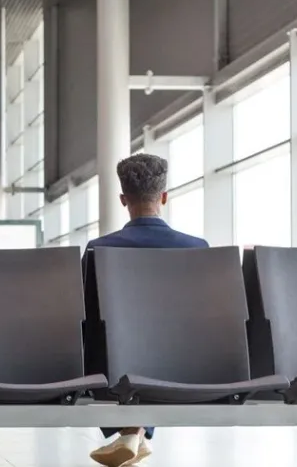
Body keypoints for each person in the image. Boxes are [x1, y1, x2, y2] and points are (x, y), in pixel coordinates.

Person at [85, 153, 208, 467]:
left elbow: (85, 314)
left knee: (118, 342)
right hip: (184, 364)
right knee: (161, 343)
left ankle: (132, 430)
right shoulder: (197, 249)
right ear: (164, 197)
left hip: (114, 366)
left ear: (123, 199)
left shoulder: (99, 250)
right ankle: (135, 431)